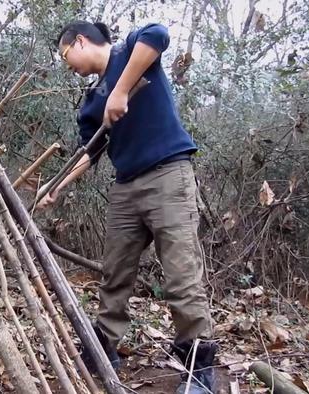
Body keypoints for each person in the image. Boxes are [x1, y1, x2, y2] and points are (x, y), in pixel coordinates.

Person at [38, 21, 218, 394]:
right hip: (125, 187)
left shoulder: (130, 51)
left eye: (64, 54)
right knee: (115, 271)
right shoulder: (91, 102)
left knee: (181, 274)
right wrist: (56, 188)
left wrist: (120, 91)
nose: (66, 63)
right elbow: (89, 152)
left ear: (80, 41)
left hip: (168, 175)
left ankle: (197, 363)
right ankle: (106, 345)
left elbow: (159, 35)